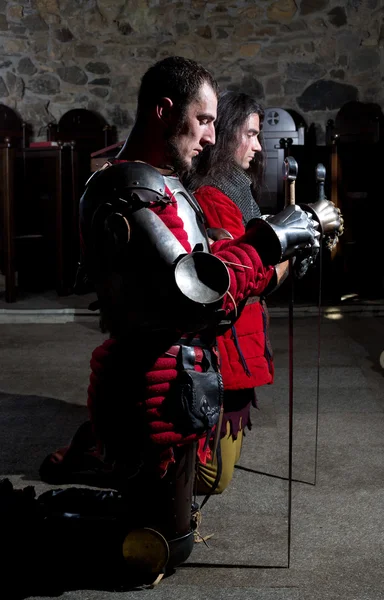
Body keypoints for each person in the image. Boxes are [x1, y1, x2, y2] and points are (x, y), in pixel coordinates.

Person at [40, 57, 320, 575]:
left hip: (179, 382)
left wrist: (260, 258)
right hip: (147, 382)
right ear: (164, 111)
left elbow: (218, 280)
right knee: (159, 545)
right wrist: (269, 239)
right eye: (205, 120)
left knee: (169, 531)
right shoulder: (127, 190)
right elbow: (198, 293)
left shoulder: (167, 184)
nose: (212, 137)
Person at [189, 91, 342, 494]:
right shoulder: (212, 195)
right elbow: (247, 277)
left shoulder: (236, 190)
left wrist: (296, 241)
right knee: (212, 477)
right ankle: (118, 456)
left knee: (220, 468)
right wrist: (291, 243)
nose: (259, 147)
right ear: (227, 135)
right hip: (223, 345)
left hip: (243, 338)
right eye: (251, 134)